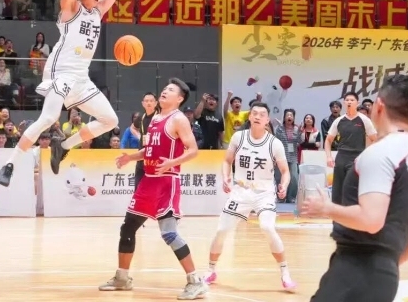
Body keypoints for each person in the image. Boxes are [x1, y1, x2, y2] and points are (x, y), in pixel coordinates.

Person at [0, 0, 142, 186]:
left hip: (81, 79)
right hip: (60, 73)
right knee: (48, 117)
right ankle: (9, 165)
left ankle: (63, 145)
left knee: (110, 120)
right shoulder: (70, 8)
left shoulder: (98, 11)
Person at [302, 74, 408, 302]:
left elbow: (371, 219)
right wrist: (389, 263)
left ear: (379, 106)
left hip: (354, 272)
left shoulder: (380, 153)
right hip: (385, 276)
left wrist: (326, 208)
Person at [99, 78, 208, 300]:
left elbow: (193, 150)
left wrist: (172, 162)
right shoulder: (155, 118)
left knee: (169, 233)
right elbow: (149, 149)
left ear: (180, 98)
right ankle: (122, 278)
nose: (165, 91)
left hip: (166, 181)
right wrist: (130, 157)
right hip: (148, 181)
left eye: (171, 90)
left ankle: (196, 281)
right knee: (128, 228)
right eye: (165, 88)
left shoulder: (179, 119)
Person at [203, 102, 296, 291]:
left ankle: (285, 273)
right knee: (222, 230)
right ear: (250, 117)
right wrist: (226, 177)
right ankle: (211, 270)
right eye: (254, 113)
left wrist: (284, 185)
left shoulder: (275, 143)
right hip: (240, 191)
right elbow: (227, 161)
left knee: (268, 227)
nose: (258, 116)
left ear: (267, 120)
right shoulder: (239, 137)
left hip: (264, 192)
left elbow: (285, 171)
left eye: (262, 114)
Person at [324, 92, 377, 204]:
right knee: (337, 189)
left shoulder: (364, 120)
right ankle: (337, 213)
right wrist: (328, 157)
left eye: (352, 100)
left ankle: (352, 212)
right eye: (347, 100)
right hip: (341, 157)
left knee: (352, 188)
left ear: (357, 103)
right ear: (344, 103)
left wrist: (366, 155)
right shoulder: (339, 120)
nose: (349, 102)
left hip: (357, 157)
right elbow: (328, 140)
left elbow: (375, 139)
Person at [133, 92, 158, 190]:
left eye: (151, 101)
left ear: (156, 103)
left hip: (155, 158)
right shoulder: (141, 117)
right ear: (142, 103)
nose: (149, 103)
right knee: (138, 188)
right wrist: (139, 136)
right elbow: (132, 127)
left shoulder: (160, 117)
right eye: (146, 101)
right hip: (141, 157)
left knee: (153, 189)